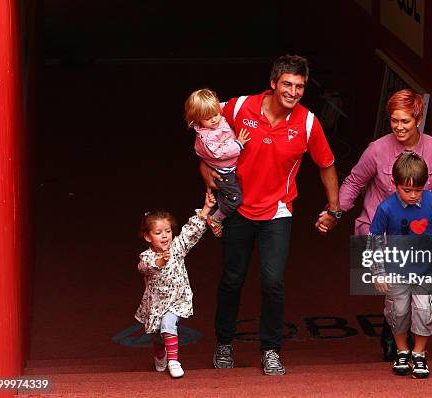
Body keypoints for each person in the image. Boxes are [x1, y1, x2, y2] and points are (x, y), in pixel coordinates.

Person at [199, 54, 340, 375]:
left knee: (272, 282)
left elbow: (327, 166)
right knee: (232, 279)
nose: (293, 92)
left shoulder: (307, 123)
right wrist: (204, 164)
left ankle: (271, 349)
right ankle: (223, 343)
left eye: (300, 87)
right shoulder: (238, 107)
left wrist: (334, 210)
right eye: (287, 84)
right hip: (237, 208)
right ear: (273, 83)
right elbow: (202, 122)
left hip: (278, 211)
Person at [319, 88, 432, 361]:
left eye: (405, 121)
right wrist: (335, 212)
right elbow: (355, 181)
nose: (399, 127)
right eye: (394, 120)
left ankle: (410, 344)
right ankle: (396, 339)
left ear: (418, 119)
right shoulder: (377, 150)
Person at [368, 152, 432, 379]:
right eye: (407, 190)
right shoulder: (385, 208)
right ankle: (402, 350)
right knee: (398, 312)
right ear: (394, 184)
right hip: (396, 270)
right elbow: (375, 240)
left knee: (424, 311)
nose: (413, 195)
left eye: (418, 189)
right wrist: (378, 272)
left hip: (425, 270)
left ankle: (419, 353)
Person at [134, 192, 216, 378]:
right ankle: (160, 355)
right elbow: (144, 267)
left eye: (168, 231)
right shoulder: (147, 256)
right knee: (156, 335)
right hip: (155, 304)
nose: (164, 236)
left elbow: (190, 232)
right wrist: (160, 261)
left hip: (177, 299)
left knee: (168, 324)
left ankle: (173, 361)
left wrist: (206, 208)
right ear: (148, 237)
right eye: (158, 232)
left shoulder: (177, 248)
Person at [185, 88, 251, 237]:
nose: (214, 119)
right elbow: (220, 153)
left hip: (231, 166)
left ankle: (219, 208)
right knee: (235, 199)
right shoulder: (206, 137)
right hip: (224, 172)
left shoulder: (215, 112)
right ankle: (215, 218)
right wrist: (239, 144)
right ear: (197, 119)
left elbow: (227, 106)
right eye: (208, 118)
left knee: (227, 196)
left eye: (215, 114)